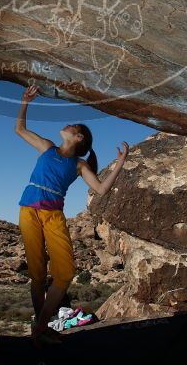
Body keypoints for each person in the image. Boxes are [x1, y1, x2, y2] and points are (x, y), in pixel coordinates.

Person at [15, 83, 130, 348]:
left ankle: (40, 326)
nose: (67, 126)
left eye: (73, 128)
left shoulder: (78, 165)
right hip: (29, 211)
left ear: (78, 139)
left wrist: (121, 163)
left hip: (53, 216)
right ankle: (41, 329)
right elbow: (19, 129)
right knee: (36, 274)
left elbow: (101, 188)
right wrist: (25, 102)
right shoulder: (46, 147)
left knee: (65, 273)